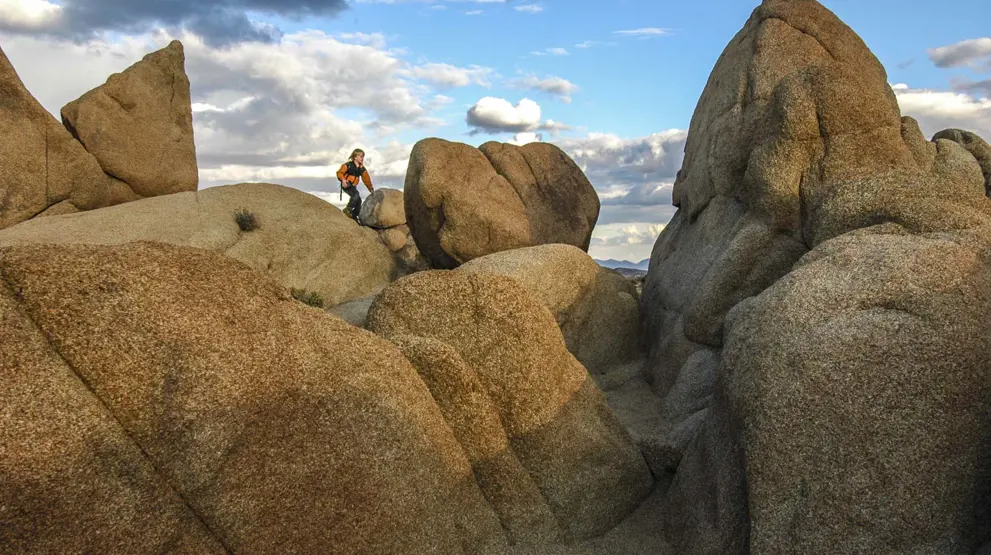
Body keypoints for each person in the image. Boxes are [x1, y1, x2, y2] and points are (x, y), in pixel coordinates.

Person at [336, 148, 374, 223]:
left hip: (353, 186)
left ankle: (354, 216)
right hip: (347, 184)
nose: (362, 158)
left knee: (359, 201)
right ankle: (348, 209)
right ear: (355, 157)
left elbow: (366, 179)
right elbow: (339, 173)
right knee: (356, 194)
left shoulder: (362, 168)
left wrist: (371, 189)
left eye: (363, 156)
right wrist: (343, 180)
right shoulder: (348, 165)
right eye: (360, 156)